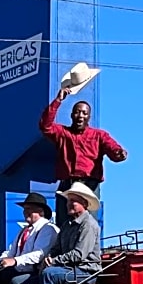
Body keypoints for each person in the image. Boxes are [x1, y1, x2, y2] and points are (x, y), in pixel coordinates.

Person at [39, 65, 126, 227]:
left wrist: (119, 153)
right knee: (64, 225)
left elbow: (114, 151)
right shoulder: (63, 133)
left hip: (89, 185)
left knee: (87, 225)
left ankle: (86, 252)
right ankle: (64, 251)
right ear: (72, 115)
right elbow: (45, 126)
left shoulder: (99, 135)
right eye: (77, 112)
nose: (80, 115)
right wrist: (58, 100)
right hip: (67, 184)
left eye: (84, 113)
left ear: (89, 117)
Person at [20, 182, 102, 284]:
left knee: (49, 274)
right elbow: (56, 248)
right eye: (68, 201)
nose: (69, 204)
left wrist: (53, 261)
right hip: (69, 268)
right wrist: (49, 257)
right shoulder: (66, 225)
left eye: (73, 201)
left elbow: (79, 255)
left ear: (84, 204)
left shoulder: (88, 224)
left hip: (86, 271)